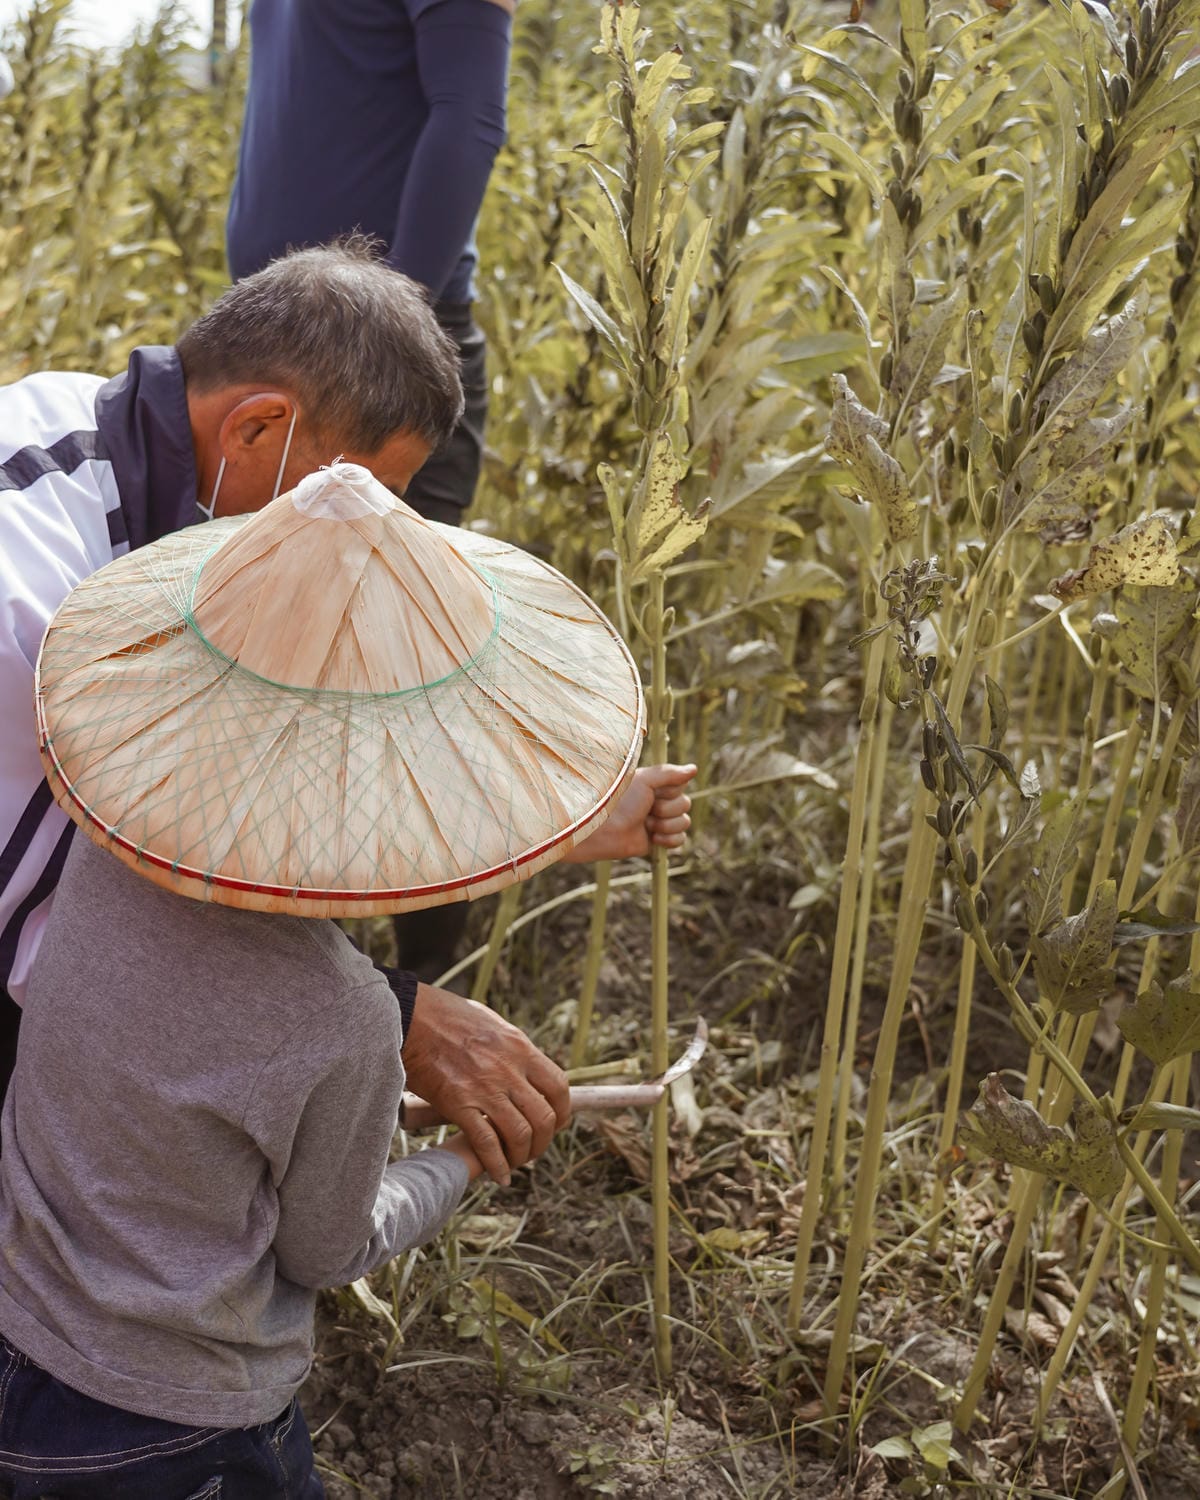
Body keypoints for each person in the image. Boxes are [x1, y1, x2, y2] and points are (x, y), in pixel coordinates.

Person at [0, 459, 649, 1497]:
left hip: (20, 1344)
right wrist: (464, 1163)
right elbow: (329, 1247)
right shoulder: (343, 1023)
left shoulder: (99, 854)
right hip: (185, 1427)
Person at [0, 241, 695, 1183]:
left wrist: (525, 811)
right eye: (353, 494)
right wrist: (388, 1018)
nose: (365, 543)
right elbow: (85, 950)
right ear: (258, 428)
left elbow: (218, 763)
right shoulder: (30, 606)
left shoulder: (120, 441)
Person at [227, 0, 520, 980]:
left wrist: (388, 332)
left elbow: (471, 116)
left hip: (383, 375)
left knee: (398, 702)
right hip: (280, 361)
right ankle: (313, 1012)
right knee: (279, 689)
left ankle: (412, 1015)